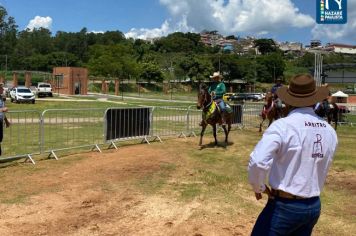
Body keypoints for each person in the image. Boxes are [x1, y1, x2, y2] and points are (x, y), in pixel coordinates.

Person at [248, 74, 338, 235]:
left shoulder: (282, 126)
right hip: (313, 205)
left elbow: (258, 161)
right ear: (314, 100)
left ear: (288, 100)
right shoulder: (329, 130)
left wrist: (259, 186)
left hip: (284, 206)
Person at [0, 83, 9, 155]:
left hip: (0, 121)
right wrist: (2, 109)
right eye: (1, 88)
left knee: (0, 138)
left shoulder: (1, 98)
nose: (3, 89)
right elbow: (2, 110)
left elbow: (3, 111)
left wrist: (6, 121)